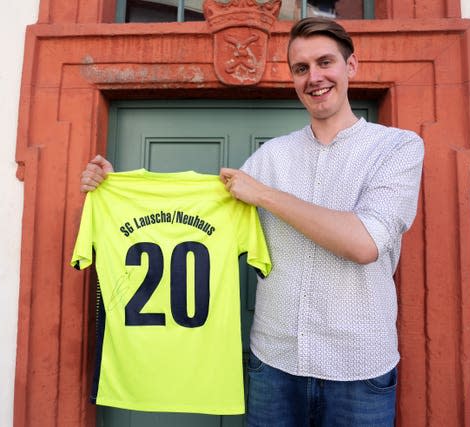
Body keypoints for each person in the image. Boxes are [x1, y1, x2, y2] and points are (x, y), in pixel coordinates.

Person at [80, 17, 424, 427]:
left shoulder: (398, 148)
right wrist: (116, 188)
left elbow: (364, 243)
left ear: (351, 67)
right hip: (274, 364)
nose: (314, 77)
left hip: (359, 367)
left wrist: (264, 194)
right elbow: (199, 213)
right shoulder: (270, 157)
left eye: (325, 62)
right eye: (301, 68)